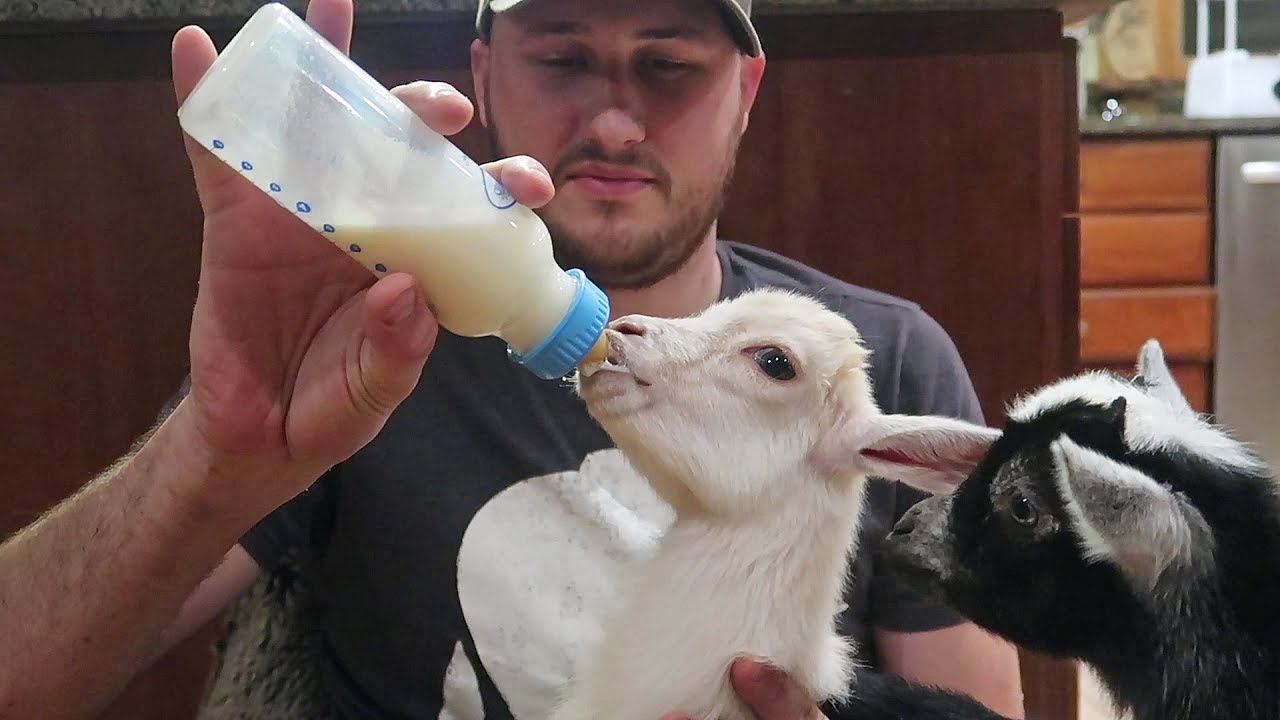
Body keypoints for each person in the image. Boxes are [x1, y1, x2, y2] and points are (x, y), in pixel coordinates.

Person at [0, 0, 1027, 717]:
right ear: (485, 71)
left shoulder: (883, 363)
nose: (615, 121)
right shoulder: (357, 348)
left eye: (668, 67)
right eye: (561, 60)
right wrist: (215, 444)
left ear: (745, 89)